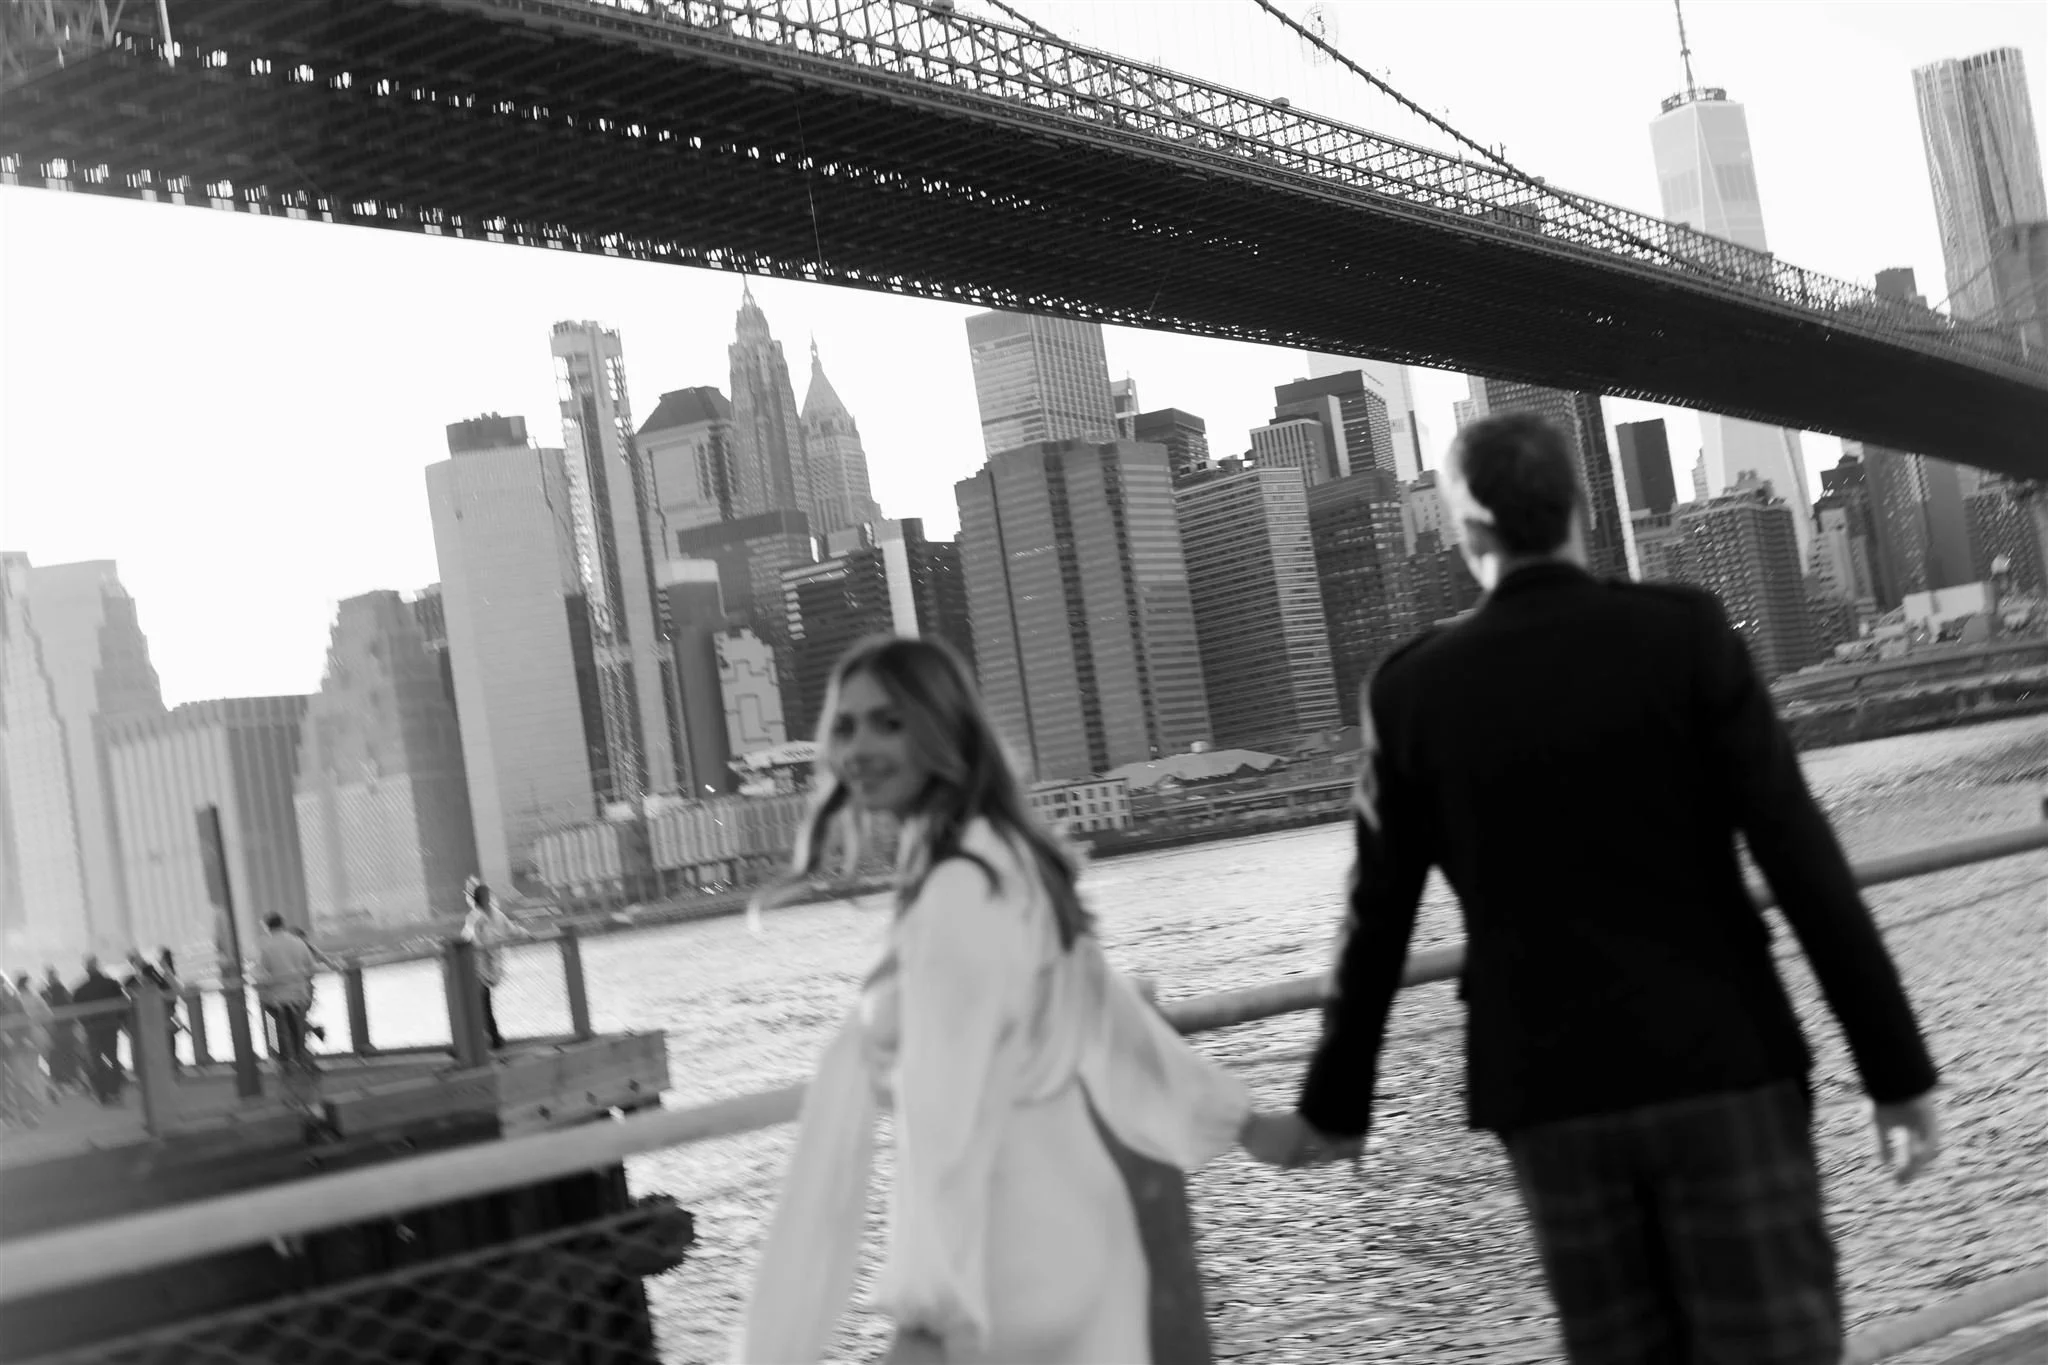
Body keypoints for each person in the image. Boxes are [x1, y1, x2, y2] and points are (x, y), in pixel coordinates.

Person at [1244, 414, 1942, 1365]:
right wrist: (1895, 1075)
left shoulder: (1412, 690)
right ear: (1579, 506)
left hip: (1552, 1094)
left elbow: (1378, 920)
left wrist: (1337, 1106)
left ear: (1466, 533)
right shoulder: (1685, 634)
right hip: (1724, 1065)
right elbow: (1802, 861)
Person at [734, 636, 1260, 1365]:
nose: (858, 747)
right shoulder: (999, 852)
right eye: (845, 725)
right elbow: (1104, 1011)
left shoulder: (958, 888)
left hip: (1008, 1262)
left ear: (940, 727)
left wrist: (929, 1311)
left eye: (889, 721)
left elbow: (947, 1116)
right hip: (1078, 1229)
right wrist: (1241, 1119)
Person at [460, 880, 527, 1051]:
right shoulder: (474, 918)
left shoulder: (497, 915)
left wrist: (526, 934)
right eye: (484, 896)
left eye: (488, 895)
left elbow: (511, 930)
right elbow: (470, 938)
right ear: (478, 899)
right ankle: (493, 1039)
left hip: (490, 965)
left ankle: (485, 1040)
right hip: (476, 966)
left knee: (483, 1003)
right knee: (483, 1004)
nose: (487, 898)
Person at [254, 914, 318, 1066]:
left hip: (275, 995)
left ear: (266, 927)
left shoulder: (264, 945)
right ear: (282, 924)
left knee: (271, 1022)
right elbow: (311, 968)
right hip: (299, 993)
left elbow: (262, 972)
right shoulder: (298, 943)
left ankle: (279, 1057)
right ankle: (299, 1055)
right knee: (295, 1025)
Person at [71, 956, 130, 1104]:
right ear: (98, 967)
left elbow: (76, 1011)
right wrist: (121, 1021)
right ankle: (116, 1092)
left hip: (92, 1029)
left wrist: (84, 1024)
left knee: (96, 1061)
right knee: (113, 1059)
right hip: (111, 1026)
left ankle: (103, 1094)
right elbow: (123, 1003)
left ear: (86, 969)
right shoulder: (111, 984)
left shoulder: (80, 990)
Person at [40, 966, 77, 1094]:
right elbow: (72, 1006)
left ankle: (58, 1080)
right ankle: (69, 1080)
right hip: (65, 1027)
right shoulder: (63, 991)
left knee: (56, 1055)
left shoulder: (46, 993)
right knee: (67, 1053)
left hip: (55, 1029)